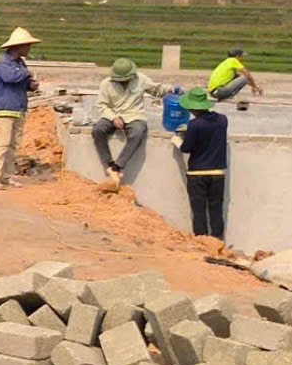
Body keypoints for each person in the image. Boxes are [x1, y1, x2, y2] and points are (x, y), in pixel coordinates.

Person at [93, 57, 180, 192]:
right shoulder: (106, 84)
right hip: (113, 114)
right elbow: (102, 105)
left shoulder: (141, 79)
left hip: (134, 115)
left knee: (138, 132)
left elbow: (156, 89)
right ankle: (109, 163)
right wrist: (113, 117)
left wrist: (172, 89)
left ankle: (118, 166)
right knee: (98, 129)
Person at [172, 86, 229, 240]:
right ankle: (217, 241)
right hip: (217, 173)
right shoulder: (223, 120)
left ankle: (201, 241)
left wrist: (178, 140)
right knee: (216, 209)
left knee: (199, 211)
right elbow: (211, 131)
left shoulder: (195, 125)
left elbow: (187, 148)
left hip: (197, 174)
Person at [0, 27, 40, 189]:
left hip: (18, 107)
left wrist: (31, 85)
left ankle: (6, 176)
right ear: (19, 46)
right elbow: (10, 77)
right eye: (27, 46)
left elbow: (22, 82)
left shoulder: (19, 63)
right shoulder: (2, 61)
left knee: (13, 145)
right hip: (5, 107)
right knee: (3, 144)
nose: (29, 49)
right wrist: (26, 73)